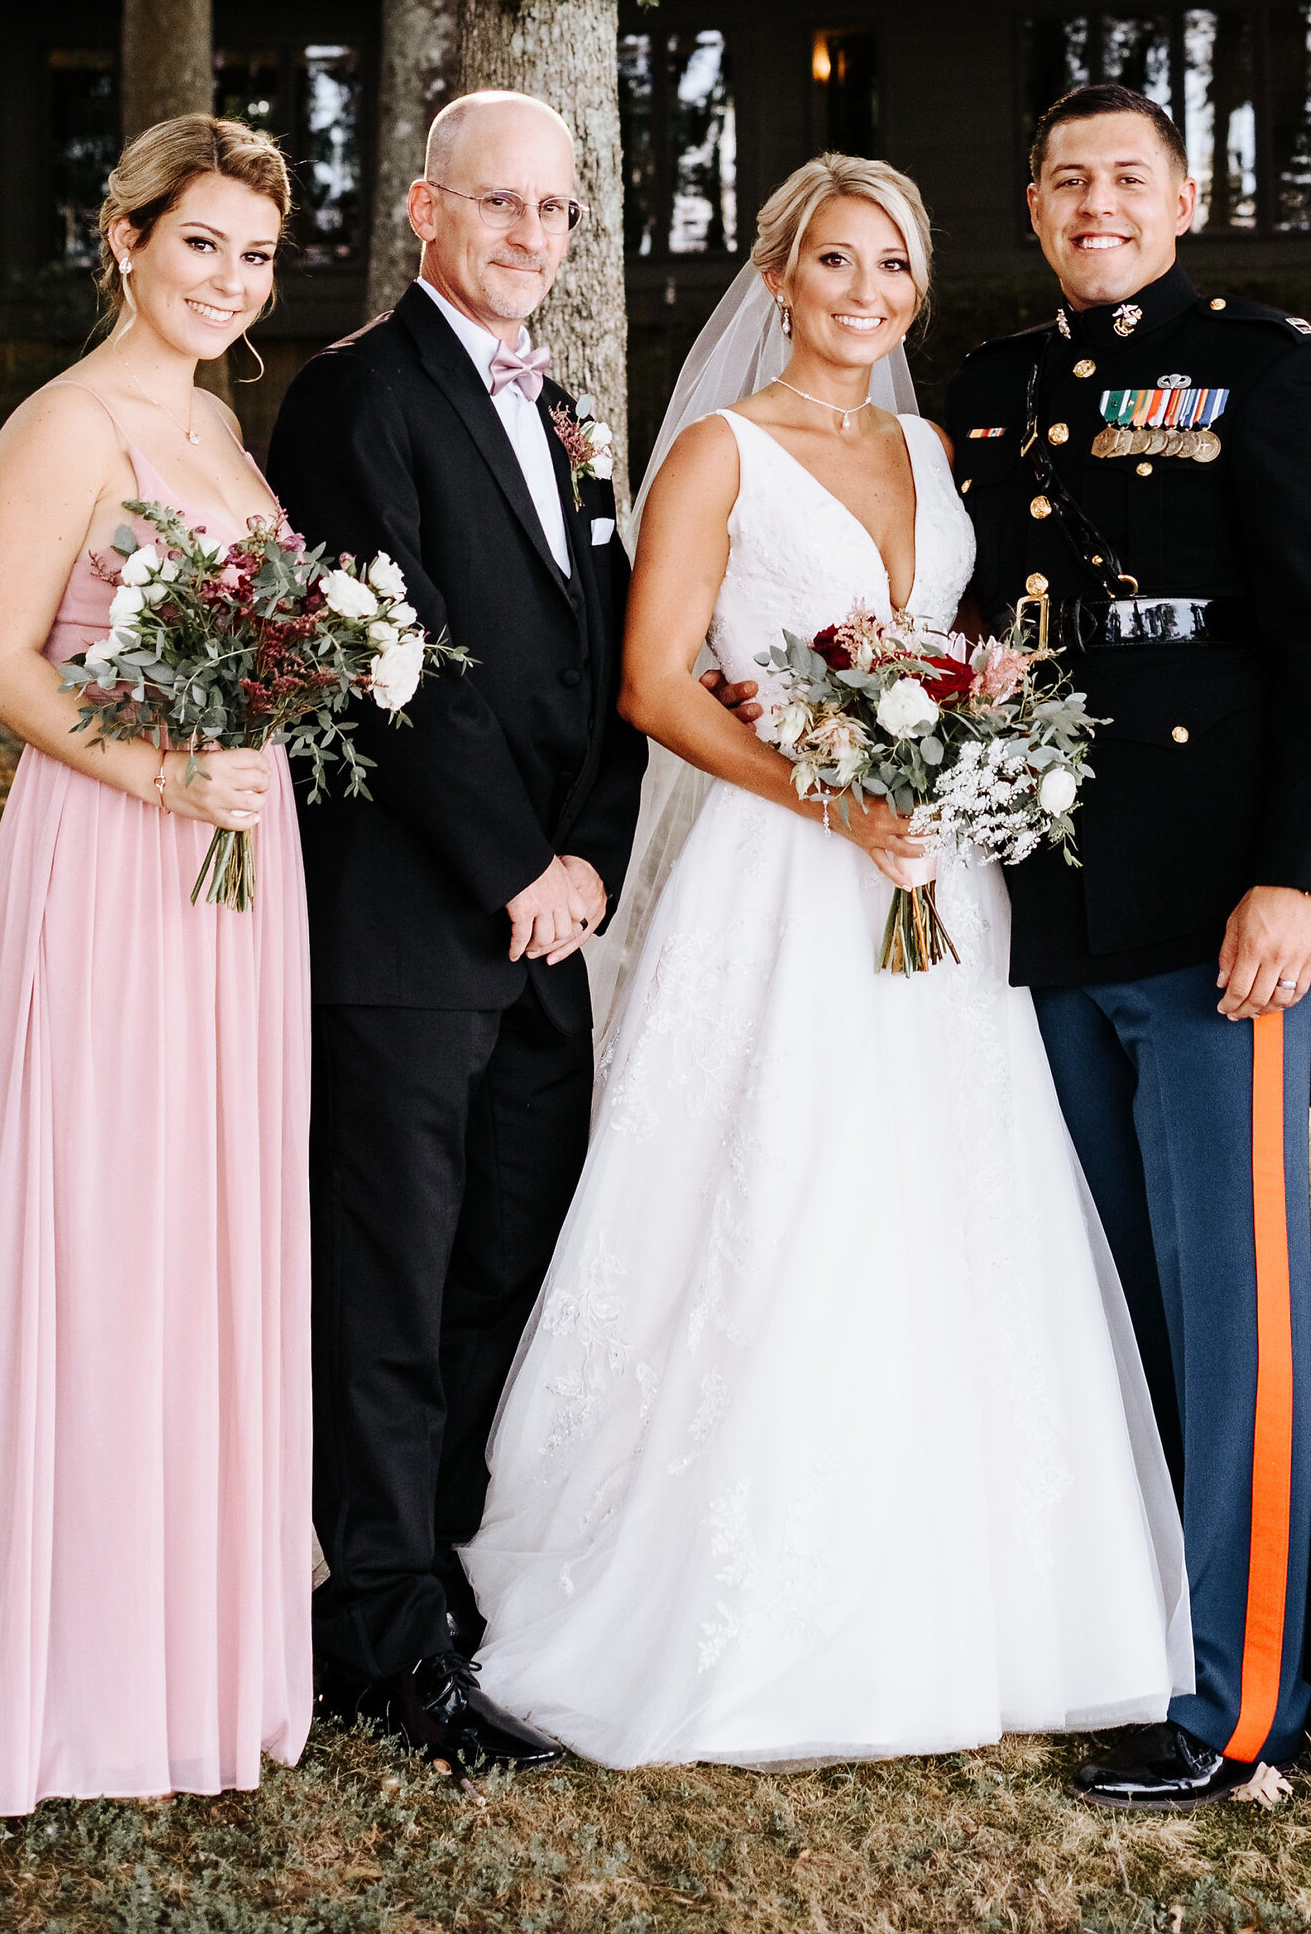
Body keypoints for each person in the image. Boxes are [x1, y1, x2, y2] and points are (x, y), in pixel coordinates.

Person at [457, 153, 1190, 1768]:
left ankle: (971, 1583)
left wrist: (954, 765)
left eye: (897, 268)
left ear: (920, 291)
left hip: (936, 881)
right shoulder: (718, 451)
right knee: (773, 1188)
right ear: (780, 275)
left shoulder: (938, 450)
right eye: (838, 262)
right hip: (781, 878)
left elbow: (971, 652)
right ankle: (721, 1569)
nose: (867, 293)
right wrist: (834, 794)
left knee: (949, 1192)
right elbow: (658, 685)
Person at [947, 82, 1311, 1808]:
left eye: (1127, 176)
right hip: (1050, 907)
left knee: (1236, 1319)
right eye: (1067, 178)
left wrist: (1300, 877)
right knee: (1112, 1306)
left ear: (1187, 194)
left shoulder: (1266, 371)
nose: (1096, 202)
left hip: (1223, 917)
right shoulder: (992, 390)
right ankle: (1140, 1639)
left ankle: (1241, 1704)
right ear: (1035, 202)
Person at [0, 115, 312, 1813]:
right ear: (121, 237)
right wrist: (158, 773)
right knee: (110, 1221)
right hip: (117, 857)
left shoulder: (217, 427)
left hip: (242, 869)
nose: (229, 279)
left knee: (211, 1228)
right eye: (201, 242)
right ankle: (72, 1650)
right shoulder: (65, 422)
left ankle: (199, 1633)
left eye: (255, 254)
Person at [267, 90, 642, 1777]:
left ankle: (457, 1575)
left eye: (554, 211)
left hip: (550, 928)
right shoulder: (352, 397)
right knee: (393, 1282)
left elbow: (611, 663)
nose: (529, 237)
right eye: (499, 205)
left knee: (509, 1256)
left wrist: (594, 858)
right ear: (425, 210)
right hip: (412, 927)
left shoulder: (563, 409)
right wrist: (516, 864)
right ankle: (382, 1622)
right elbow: (390, 663)